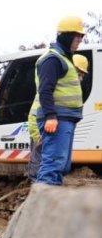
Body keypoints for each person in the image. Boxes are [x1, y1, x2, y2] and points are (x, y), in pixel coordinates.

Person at [33, 16, 86, 185]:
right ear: (66, 36)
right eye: (77, 36)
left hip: (64, 118)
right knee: (53, 165)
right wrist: (50, 116)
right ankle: (42, 208)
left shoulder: (64, 59)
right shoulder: (52, 59)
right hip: (57, 119)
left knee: (61, 165)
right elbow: (45, 89)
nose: (79, 40)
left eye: (81, 36)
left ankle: (48, 206)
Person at [27, 52, 88, 181]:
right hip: (41, 133)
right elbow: (33, 115)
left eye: (82, 75)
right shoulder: (51, 92)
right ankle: (39, 194)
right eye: (79, 74)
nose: (80, 78)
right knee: (42, 167)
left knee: (54, 166)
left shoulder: (63, 91)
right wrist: (38, 136)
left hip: (47, 132)